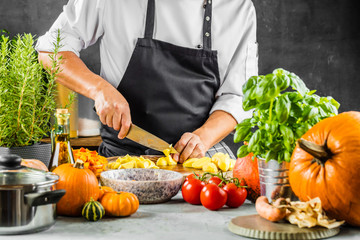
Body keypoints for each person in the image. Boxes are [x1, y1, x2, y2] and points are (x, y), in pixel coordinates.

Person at [36, 0, 258, 163]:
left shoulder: (238, 8)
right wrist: (99, 89)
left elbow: (239, 96)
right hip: (121, 161)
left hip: (198, 163)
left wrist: (203, 138)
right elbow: (51, 49)